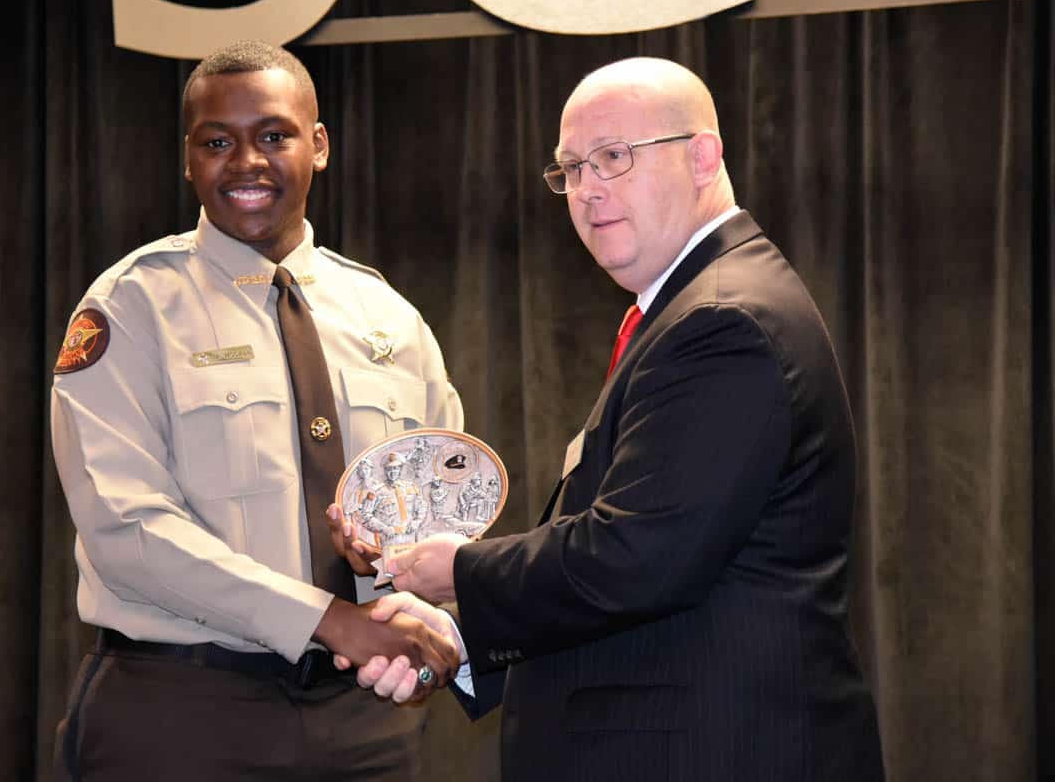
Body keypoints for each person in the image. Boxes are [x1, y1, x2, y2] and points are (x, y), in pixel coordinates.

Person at [345, 57, 886, 781]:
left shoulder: (723, 319)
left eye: (613, 157)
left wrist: (460, 571)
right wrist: (460, 641)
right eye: (570, 168)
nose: (587, 189)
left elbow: (636, 559)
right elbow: (649, 577)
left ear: (703, 156)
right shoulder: (692, 306)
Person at [49, 39, 462, 781]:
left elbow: (443, 503)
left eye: (274, 135)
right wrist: (327, 617)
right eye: (218, 142)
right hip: (181, 711)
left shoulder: (390, 318)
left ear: (320, 144)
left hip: (365, 721)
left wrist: (420, 613)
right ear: (187, 159)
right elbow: (127, 529)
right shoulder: (130, 307)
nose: (247, 162)